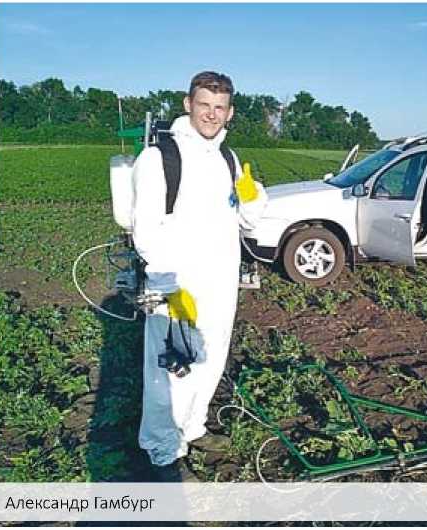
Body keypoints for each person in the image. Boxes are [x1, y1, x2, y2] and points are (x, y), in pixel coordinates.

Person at [131, 71, 267, 479]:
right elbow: (146, 231)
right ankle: (161, 451)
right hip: (176, 284)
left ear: (230, 113)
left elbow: (248, 221)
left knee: (210, 358)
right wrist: (168, 287)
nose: (211, 114)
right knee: (168, 371)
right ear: (188, 104)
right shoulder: (160, 158)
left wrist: (251, 195)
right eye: (204, 104)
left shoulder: (228, 159)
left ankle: (192, 427)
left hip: (220, 281)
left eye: (219, 107)